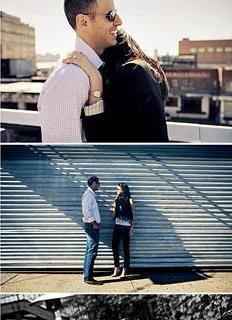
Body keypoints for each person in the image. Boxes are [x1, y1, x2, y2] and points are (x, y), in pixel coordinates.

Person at [38, 0, 123, 142]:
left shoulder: (98, 69)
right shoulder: (71, 78)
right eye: (111, 15)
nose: (119, 21)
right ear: (84, 22)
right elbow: (64, 158)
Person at [63, 29, 169, 142]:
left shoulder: (132, 73)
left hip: (142, 158)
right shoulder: (147, 69)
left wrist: (95, 77)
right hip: (152, 156)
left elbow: (99, 139)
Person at [108, 183, 134, 277]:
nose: (116, 190)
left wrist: (132, 228)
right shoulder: (116, 200)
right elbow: (113, 215)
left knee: (125, 247)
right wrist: (114, 207)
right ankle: (117, 267)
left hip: (126, 226)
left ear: (123, 190)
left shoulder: (130, 200)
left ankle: (125, 268)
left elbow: (133, 215)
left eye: (118, 189)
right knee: (115, 246)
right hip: (118, 225)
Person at [82, 175, 102, 285]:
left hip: (91, 225)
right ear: (94, 183)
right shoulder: (89, 194)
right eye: (98, 183)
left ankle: (86, 274)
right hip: (91, 226)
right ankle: (88, 277)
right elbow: (86, 211)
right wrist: (94, 223)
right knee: (92, 251)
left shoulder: (89, 194)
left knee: (89, 250)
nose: (99, 185)